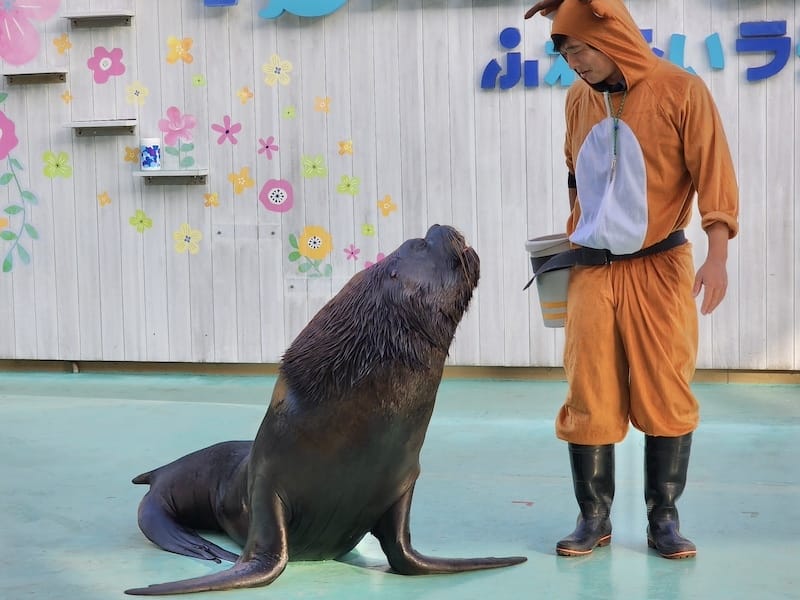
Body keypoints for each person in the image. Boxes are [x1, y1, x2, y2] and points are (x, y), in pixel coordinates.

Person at [524, 0, 739, 559]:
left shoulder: (680, 90)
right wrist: (571, 237)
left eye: (581, 47)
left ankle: (662, 518)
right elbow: (575, 171)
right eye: (566, 51)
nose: (575, 61)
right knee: (587, 389)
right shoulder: (577, 100)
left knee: (666, 388)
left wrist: (716, 255)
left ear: (614, 33)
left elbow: (714, 173)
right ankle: (593, 517)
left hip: (660, 266)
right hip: (591, 268)